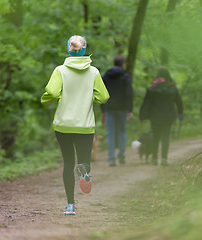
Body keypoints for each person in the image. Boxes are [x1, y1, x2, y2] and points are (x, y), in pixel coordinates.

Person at [41, 35, 109, 215]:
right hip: (84, 125)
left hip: (63, 124)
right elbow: (103, 97)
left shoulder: (60, 70)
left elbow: (53, 92)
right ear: (84, 50)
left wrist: (47, 98)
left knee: (67, 162)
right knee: (84, 160)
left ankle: (70, 206)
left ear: (68, 50)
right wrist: (89, 98)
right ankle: (84, 170)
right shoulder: (93, 72)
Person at [139, 67, 183, 166]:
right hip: (169, 116)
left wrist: (143, 116)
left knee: (155, 136)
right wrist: (180, 113)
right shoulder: (173, 88)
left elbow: (147, 103)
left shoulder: (152, 89)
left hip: (155, 116)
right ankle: (164, 159)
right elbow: (179, 102)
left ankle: (154, 158)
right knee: (166, 136)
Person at [101, 55, 133, 166]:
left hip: (109, 108)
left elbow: (101, 94)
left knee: (110, 133)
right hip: (122, 108)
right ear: (123, 64)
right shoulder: (125, 76)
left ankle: (111, 159)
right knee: (122, 132)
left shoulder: (105, 76)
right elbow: (129, 93)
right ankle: (122, 155)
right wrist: (130, 109)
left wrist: (103, 111)